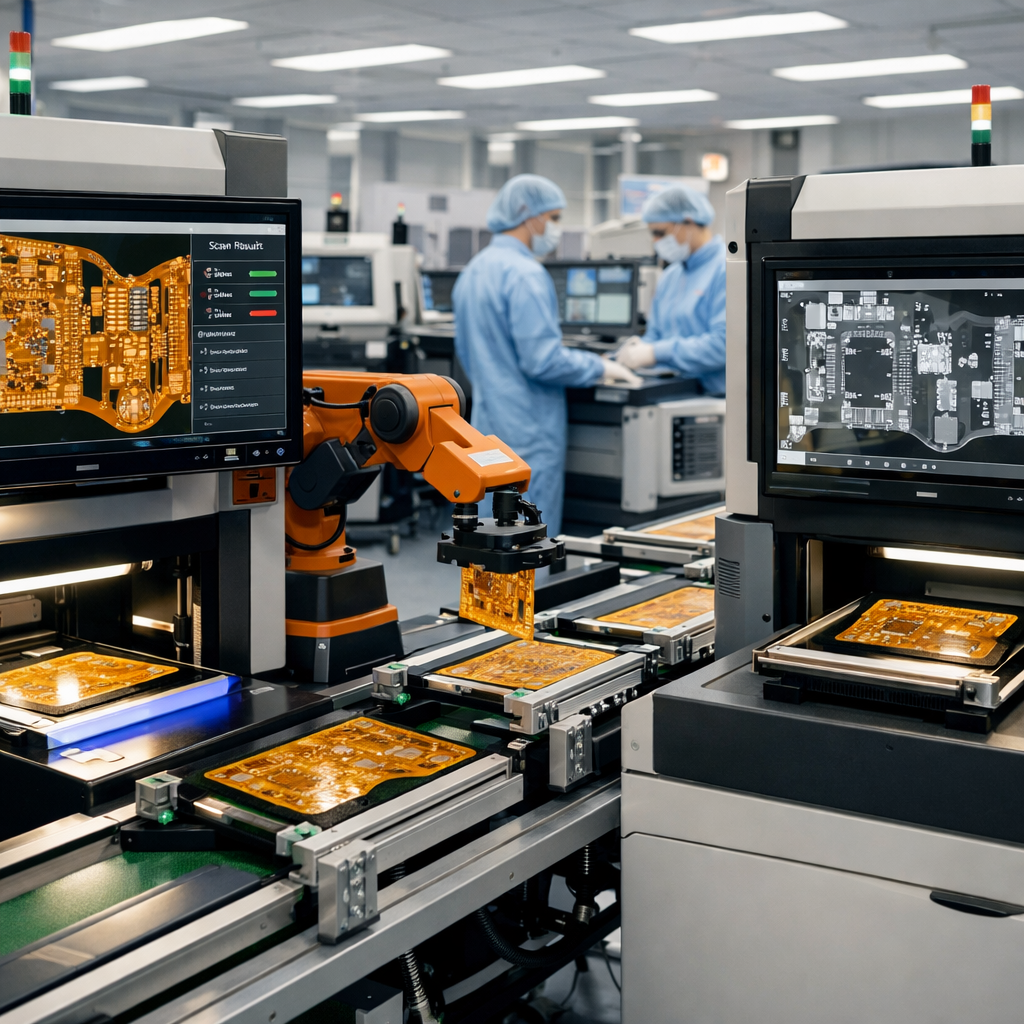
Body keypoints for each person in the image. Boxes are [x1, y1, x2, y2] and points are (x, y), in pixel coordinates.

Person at [453, 173, 639, 534]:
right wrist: (600, 365)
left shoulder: (473, 271)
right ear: (529, 214)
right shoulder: (525, 274)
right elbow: (543, 360)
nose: (554, 227)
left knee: (488, 532)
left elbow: (468, 353)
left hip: (489, 423)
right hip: (529, 429)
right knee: (529, 534)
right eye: (553, 218)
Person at [615, 185, 727, 396]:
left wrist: (656, 352)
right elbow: (655, 334)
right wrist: (635, 350)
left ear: (689, 222)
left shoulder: (727, 269)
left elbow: (723, 346)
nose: (655, 241)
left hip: (717, 398)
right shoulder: (671, 275)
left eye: (660, 233)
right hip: (672, 391)